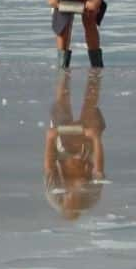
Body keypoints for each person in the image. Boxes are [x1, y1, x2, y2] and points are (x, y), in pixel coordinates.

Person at [44, 71, 106, 220]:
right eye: (75, 201)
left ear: (64, 202)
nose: (71, 196)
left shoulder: (54, 195)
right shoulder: (92, 196)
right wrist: (96, 139)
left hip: (63, 153)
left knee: (61, 106)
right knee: (90, 109)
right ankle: (95, 70)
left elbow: (49, 166)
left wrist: (50, 139)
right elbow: (98, 168)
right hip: (85, 154)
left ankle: (63, 69)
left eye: (68, 200)